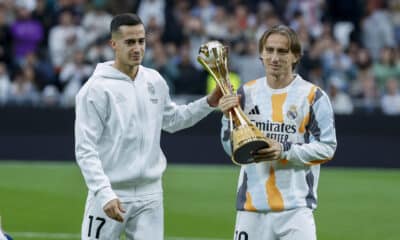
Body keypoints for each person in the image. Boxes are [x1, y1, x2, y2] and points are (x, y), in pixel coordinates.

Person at [75, 13, 222, 240]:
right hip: (111, 193)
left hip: (151, 194)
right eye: (129, 42)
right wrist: (104, 193)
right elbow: (85, 149)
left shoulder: (154, 80)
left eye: (141, 41)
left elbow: (173, 120)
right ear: (113, 44)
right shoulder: (95, 90)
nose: (137, 48)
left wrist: (209, 103)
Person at [218, 25, 337, 240]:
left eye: (282, 51)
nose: (274, 57)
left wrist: (284, 150)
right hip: (251, 209)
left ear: (295, 56)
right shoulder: (246, 93)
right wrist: (227, 119)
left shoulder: (313, 96)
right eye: (269, 50)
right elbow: (231, 149)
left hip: (295, 210)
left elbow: (327, 148)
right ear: (261, 54)